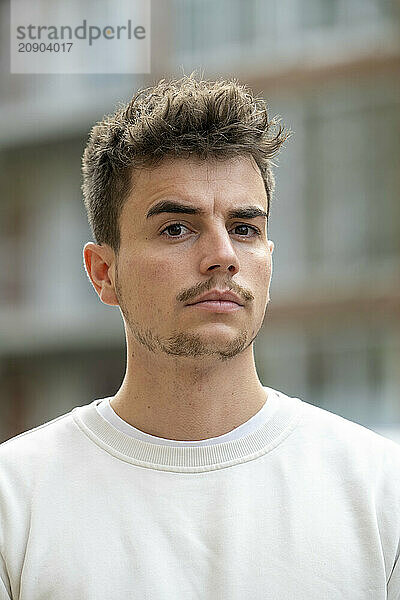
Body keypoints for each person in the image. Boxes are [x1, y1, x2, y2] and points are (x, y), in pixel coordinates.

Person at [0, 74, 399, 599]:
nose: (223, 256)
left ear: (268, 261)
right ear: (103, 272)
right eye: (176, 228)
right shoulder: (15, 501)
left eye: (245, 229)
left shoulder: (378, 491)